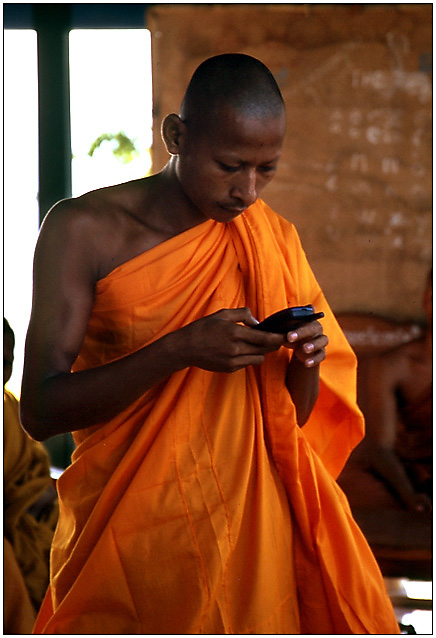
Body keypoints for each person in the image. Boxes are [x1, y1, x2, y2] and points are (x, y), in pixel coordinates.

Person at [20, 54, 399, 634]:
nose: (247, 190)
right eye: (230, 165)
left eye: (266, 170)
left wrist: (305, 359)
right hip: (133, 540)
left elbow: (287, 423)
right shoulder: (82, 230)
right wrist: (178, 350)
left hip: (250, 532)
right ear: (175, 136)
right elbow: (41, 410)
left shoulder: (269, 240)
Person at [338, 271, 432, 514]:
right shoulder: (395, 365)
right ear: (427, 301)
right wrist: (409, 495)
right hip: (415, 473)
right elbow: (380, 447)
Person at [4, 318, 58, 633]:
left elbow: (31, 471)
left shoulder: (8, 405)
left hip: (33, 513)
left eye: (6, 363)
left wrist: (43, 495)